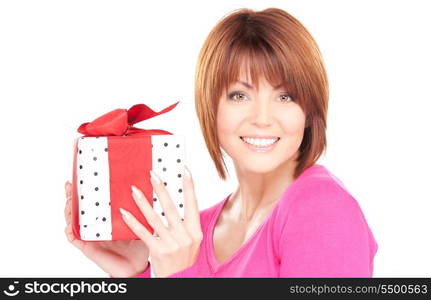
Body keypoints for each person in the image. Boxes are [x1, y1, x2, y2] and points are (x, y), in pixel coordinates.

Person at [64, 7, 378, 278]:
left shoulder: (321, 208)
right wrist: (135, 274)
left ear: (309, 111)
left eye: (286, 96)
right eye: (239, 95)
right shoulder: (194, 234)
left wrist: (178, 276)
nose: (263, 118)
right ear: (210, 107)